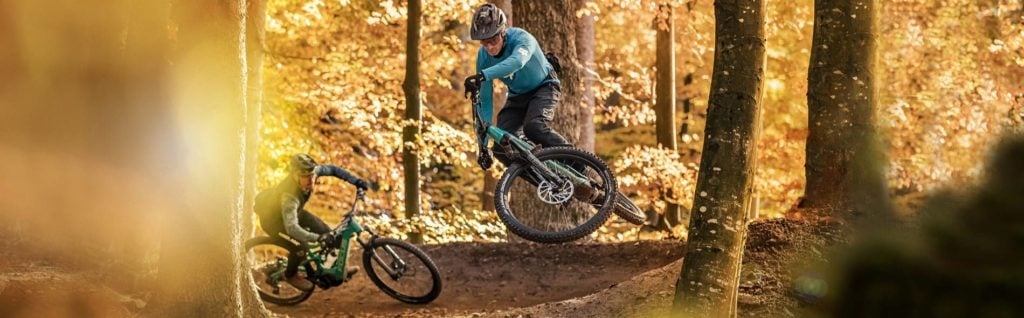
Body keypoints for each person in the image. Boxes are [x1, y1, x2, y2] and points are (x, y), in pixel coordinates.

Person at [463, 4, 602, 203]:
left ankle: (580, 168)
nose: (490, 47)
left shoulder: (521, 38)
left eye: (493, 40)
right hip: (518, 97)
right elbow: (484, 102)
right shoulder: (483, 57)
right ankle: (552, 184)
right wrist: (482, 146)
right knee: (502, 149)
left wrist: (483, 75)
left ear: (503, 32)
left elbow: (517, 62)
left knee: (533, 127)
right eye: (484, 43)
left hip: (544, 86)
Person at [254, 154, 369, 291]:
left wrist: (356, 181)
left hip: (296, 213)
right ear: (295, 177)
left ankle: (336, 270)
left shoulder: (313, 171)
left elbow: (333, 170)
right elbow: (292, 229)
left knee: (330, 233)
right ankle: (290, 275)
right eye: (305, 177)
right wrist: (317, 238)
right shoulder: (289, 197)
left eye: (312, 175)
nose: (311, 180)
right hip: (275, 223)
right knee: (300, 247)